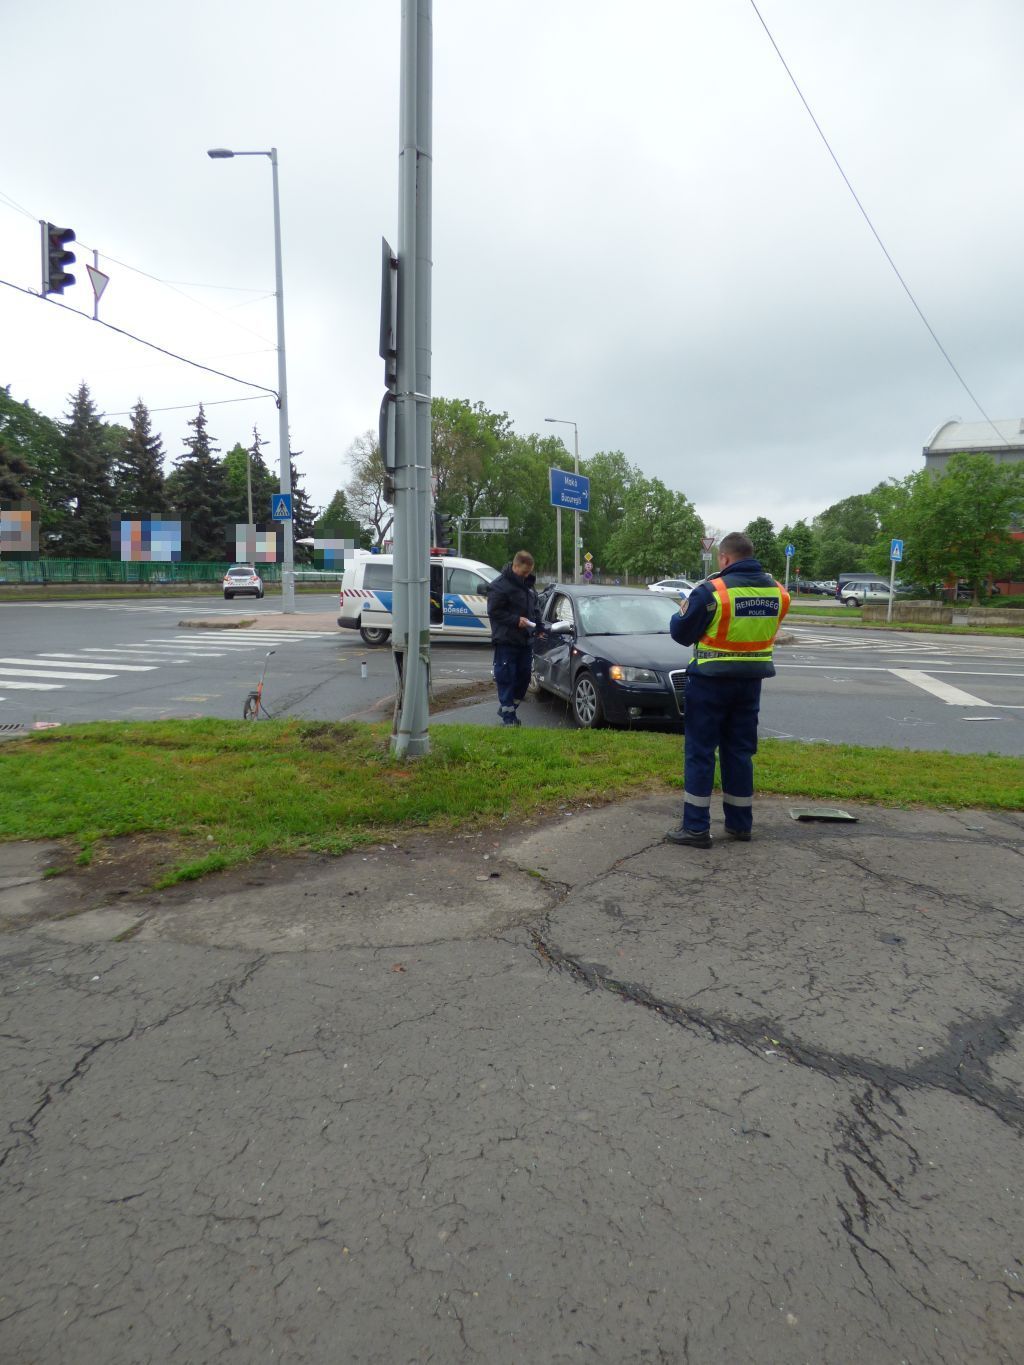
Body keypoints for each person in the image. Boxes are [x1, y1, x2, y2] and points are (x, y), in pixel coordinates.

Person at [665, 531, 790, 847]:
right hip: (750, 684)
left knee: (701, 752)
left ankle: (695, 828)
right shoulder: (779, 593)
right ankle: (740, 825)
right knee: (740, 752)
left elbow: (680, 632)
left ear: (724, 558)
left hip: (709, 683)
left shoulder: (713, 592)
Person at [486, 550, 540, 727]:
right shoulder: (499, 586)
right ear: (515, 566)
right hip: (506, 640)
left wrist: (539, 626)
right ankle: (509, 719)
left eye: (529, 572)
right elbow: (494, 612)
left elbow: (535, 608)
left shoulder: (528, 585)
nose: (527, 575)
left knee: (524, 678)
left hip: (525, 640)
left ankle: (508, 708)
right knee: (507, 677)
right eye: (524, 572)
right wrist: (516, 620)